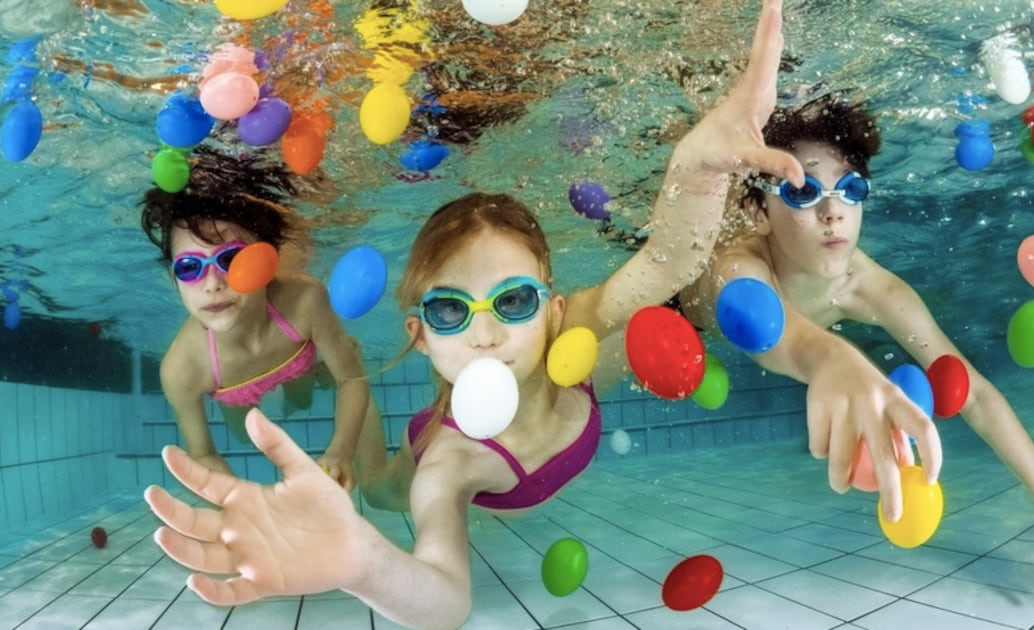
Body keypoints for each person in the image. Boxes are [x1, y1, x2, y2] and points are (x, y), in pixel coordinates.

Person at [143, 2, 871, 627]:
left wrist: (698, 163)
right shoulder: (447, 467)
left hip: (561, 383)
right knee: (380, 486)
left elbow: (668, 262)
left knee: (639, 316)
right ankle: (360, 428)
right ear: (419, 336)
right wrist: (365, 562)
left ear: (551, 311)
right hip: (428, 452)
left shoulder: (569, 340)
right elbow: (445, 597)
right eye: (449, 311)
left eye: (514, 302)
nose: (486, 333)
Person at [674, 93, 1034, 585]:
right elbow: (762, 326)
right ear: (759, 213)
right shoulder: (740, 266)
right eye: (803, 191)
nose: (833, 212)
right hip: (674, 306)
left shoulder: (873, 287)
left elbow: (975, 394)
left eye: (850, 189)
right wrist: (832, 359)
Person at [140, 147, 375, 490]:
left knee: (302, 401)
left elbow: (351, 381)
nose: (212, 284)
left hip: (294, 357)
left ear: (268, 261)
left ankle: (315, 373)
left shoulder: (304, 302)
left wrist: (340, 452)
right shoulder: (182, 369)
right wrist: (242, 504)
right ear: (173, 279)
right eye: (189, 267)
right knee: (248, 432)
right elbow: (203, 454)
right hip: (233, 389)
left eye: (231, 260)